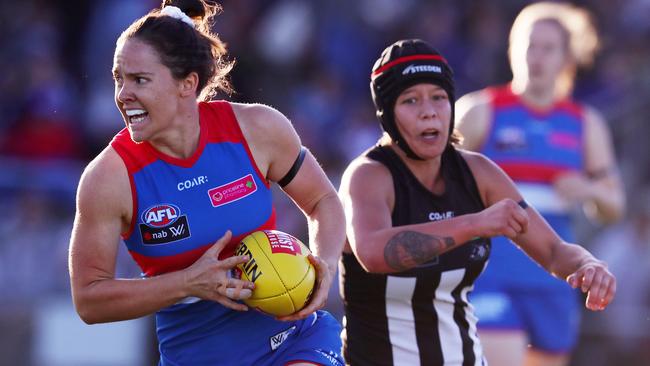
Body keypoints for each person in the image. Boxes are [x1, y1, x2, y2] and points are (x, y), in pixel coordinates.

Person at [68, 1, 346, 365]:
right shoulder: (108, 177)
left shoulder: (259, 128)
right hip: (198, 352)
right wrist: (186, 283)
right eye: (118, 79)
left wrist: (322, 264)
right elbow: (89, 299)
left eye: (139, 80)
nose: (123, 94)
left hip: (293, 336)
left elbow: (323, 199)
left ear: (187, 84)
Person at [337, 38, 616, 366]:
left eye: (439, 98)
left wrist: (587, 265)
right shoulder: (369, 176)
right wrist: (475, 223)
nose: (429, 111)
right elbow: (373, 252)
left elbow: (554, 251)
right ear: (386, 114)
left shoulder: (478, 172)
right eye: (410, 100)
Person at [455, 3, 625, 366]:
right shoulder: (480, 111)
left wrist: (588, 189)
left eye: (548, 48)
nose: (537, 56)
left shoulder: (585, 124)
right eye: (529, 45)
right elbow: (432, 177)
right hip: (491, 269)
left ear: (568, 57)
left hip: (555, 275)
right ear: (512, 50)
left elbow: (614, 206)